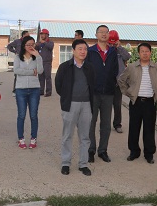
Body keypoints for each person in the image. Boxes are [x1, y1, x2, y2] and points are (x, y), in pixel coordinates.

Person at [117, 42, 157, 164]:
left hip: (150, 103)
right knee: (134, 128)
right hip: (136, 102)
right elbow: (121, 80)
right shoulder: (132, 67)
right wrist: (128, 92)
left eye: (147, 51)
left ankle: (149, 154)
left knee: (149, 129)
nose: (145, 53)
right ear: (139, 53)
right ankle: (134, 152)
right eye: (142, 51)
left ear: (150, 53)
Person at [55, 38, 95, 176]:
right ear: (73, 51)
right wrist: (67, 98)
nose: (83, 52)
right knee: (67, 135)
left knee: (85, 136)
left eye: (85, 49)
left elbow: (93, 85)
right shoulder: (65, 67)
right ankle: (65, 163)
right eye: (80, 49)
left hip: (87, 105)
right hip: (70, 105)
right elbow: (58, 86)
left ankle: (83, 164)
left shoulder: (90, 67)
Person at [86, 24, 119, 163]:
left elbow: (115, 70)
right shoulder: (90, 51)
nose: (104, 34)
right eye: (101, 32)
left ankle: (103, 150)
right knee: (91, 123)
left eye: (106, 32)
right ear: (96, 35)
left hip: (108, 93)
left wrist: (112, 84)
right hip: (93, 93)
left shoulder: (112, 52)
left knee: (106, 124)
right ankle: (90, 149)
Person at [14, 35, 43, 149]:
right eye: (28, 45)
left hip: (34, 89)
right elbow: (16, 70)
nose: (31, 46)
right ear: (23, 46)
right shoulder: (18, 57)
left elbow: (40, 71)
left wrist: (38, 56)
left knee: (33, 115)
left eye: (32, 44)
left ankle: (33, 139)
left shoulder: (37, 57)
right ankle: (21, 139)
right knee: (21, 115)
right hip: (20, 89)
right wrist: (31, 72)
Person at [108, 30, 131, 133]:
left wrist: (119, 47)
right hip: (107, 83)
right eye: (110, 43)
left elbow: (127, 57)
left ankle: (117, 124)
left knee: (117, 105)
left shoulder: (120, 51)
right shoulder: (105, 50)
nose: (112, 45)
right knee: (106, 106)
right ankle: (105, 125)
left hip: (117, 83)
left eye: (114, 43)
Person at [7, 31, 26, 96]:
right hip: (18, 59)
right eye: (27, 35)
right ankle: (15, 91)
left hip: (26, 60)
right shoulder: (17, 41)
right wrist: (15, 51)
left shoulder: (28, 42)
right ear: (23, 35)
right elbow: (9, 46)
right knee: (17, 75)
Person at [36, 28, 54, 96]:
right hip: (40, 62)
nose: (41, 35)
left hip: (47, 62)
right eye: (41, 34)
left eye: (43, 34)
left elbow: (50, 47)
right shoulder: (40, 43)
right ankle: (41, 90)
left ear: (47, 35)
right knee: (40, 77)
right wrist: (36, 45)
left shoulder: (50, 42)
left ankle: (48, 91)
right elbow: (36, 49)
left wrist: (44, 42)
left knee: (47, 77)